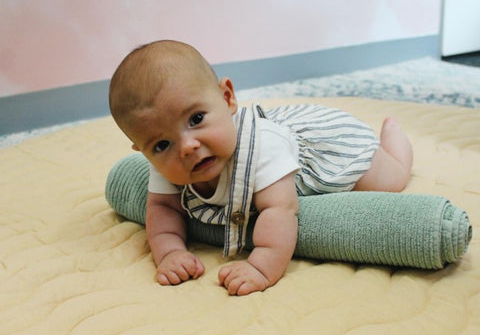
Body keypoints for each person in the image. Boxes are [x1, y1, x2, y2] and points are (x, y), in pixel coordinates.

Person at [108, 40, 413, 296]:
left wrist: (260, 266)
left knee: (391, 179)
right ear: (145, 152)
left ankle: (393, 141)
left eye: (197, 119)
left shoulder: (266, 148)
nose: (187, 146)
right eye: (161, 145)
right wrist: (170, 253)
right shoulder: (168, 162)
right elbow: (162, 210)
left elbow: (279, 211)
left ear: (227, 98)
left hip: (327, 148)